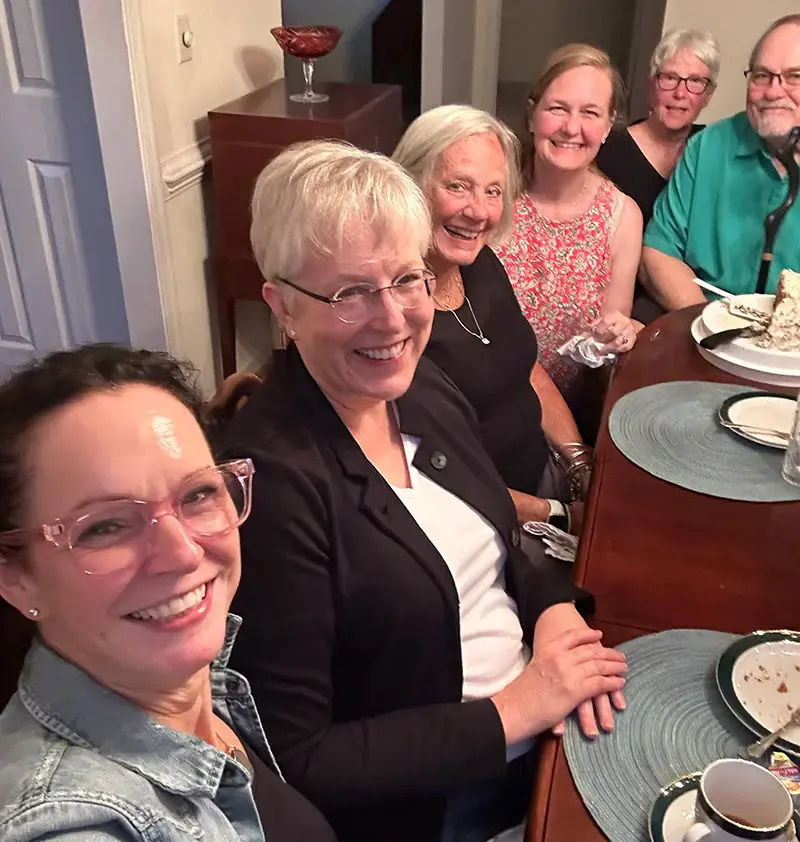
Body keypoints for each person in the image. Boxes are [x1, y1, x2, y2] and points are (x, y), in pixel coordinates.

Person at [222, 140, 628, 842]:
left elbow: (500, 539)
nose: (392, 319)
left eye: (407, 279)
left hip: (550, 720)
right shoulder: (273, 488)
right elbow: (297, 759)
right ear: (282, 306)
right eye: (349, 292)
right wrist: (517, 710)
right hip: (449, 804)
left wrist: (554, 610)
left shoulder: (418, 386)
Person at [0, 345, 337, 842]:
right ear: (15, 576)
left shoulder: (194, 687)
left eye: (198, 494)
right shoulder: (73, 823)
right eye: (105, 526)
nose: (182, 552)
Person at [393, 104, 593, 528]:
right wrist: (558, 515)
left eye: (493, 191)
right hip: (485, 521)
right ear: (410, 184)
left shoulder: (481, 266)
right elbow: (429, 479)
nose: (479, 211)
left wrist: (579, 465)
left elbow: (528, 371)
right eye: (458, 186)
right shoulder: (393, 317)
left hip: (546, 476)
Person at [493, 44, 643, 412]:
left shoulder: (622, 216)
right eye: (558, 108)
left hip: (570, 410)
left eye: (590, 113)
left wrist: (619, 335)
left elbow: (605, 349)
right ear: (532, 114)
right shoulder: (492, 192)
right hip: (480, 399)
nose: (571, 128)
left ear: (608, 126)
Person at [642, 14, 800, 309]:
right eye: (761, 75)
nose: (773, 92)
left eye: (795, 77)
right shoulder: (708, 146)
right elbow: (658, 253)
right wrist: (710, 325)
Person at [596, 29, 719, 226]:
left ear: (708, 95)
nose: (680, 93)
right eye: (670, 77)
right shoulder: (609, 149)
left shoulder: (712, 147)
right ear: (650, 85)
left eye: (695, 81)